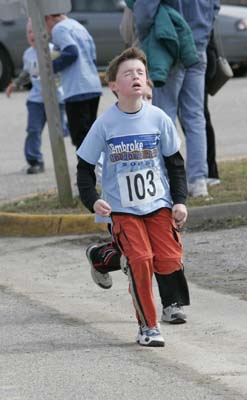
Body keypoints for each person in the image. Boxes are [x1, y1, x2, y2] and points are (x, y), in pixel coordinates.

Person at [77, 47, 188, 347]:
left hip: (158, 204)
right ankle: (148, 327)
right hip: (122, 209)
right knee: (140, 259)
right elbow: (85, 168)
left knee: (168, 259)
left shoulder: (158, 118)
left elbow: (175, 163)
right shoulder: (105, 124)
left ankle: (100, 257)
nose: (136, 77)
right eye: (128, 74)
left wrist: (179, 200)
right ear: (113, 85)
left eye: (140, 73)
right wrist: (93, 201)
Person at [131, 0, 220, 197]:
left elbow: (144, 12)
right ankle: (198, 181)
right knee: (195, 117)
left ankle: (167, 178)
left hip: (169, 44)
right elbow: (215, 8)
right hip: (197, 46)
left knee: (164, 115)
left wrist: (145, 34)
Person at [5, 18, 68, 174]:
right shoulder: (28, 54)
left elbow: (61, 75)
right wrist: (15, 84)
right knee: (33, 130)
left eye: (35, 31)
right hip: (36, 101)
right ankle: (35, 161)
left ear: (46, 33)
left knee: (63, 130)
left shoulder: (54, 50)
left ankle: (76, 159)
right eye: (29, 32)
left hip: (56, 100)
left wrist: (51, 89)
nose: (31, 35)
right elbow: (27, 73)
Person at [45, 13, 102, 150]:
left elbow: (71, 52)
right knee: (91, 135)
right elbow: (93, 56)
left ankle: (86, 170)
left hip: (77, 88)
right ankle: (94, 168)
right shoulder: (78, 26)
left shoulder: (59, 29)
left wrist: (48, 67)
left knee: (80, 137)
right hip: (93, 85)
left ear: (48, 19)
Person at [205, 31, 220, 186]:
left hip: (199, 55)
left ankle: (210, 171)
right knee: (199, 119)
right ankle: (209, 171)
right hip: (205, 53)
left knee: (199, 120)